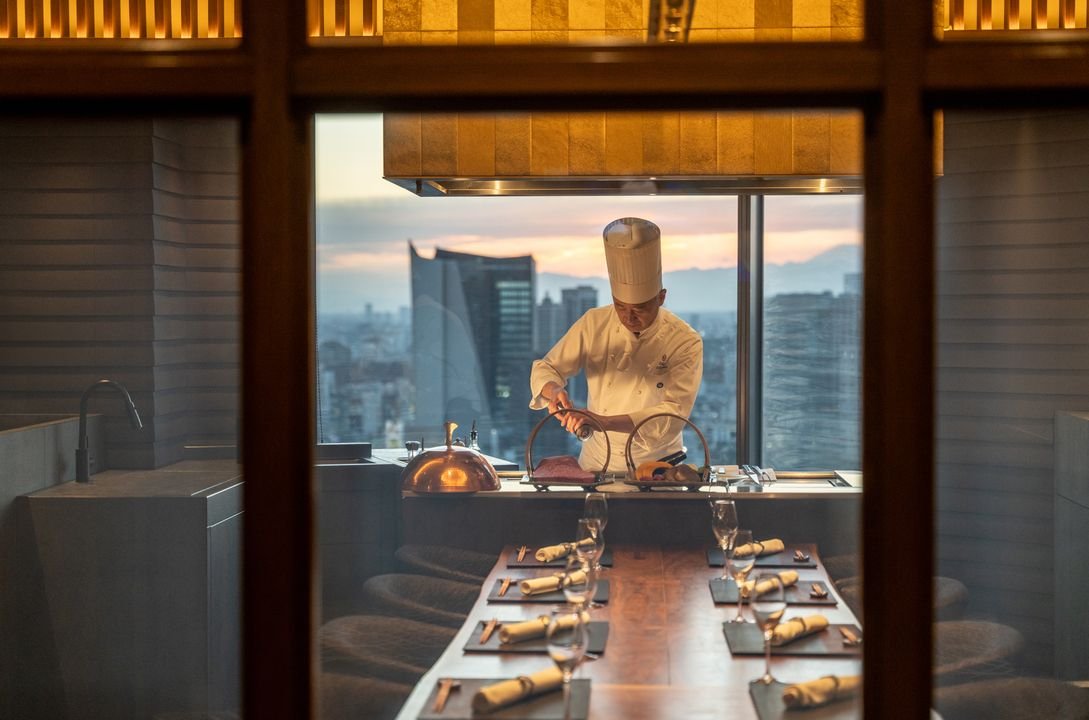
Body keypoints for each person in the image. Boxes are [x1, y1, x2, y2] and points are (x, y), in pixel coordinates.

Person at [529, 217, 704, 472]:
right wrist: (554, 391)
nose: (629, 317)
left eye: (640, 308)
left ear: (661, 298)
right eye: (620, 306)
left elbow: (671, 415)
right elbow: (547, 367)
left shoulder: (684, 341)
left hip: (656, 466)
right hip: (596, 463)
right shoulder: (594, 322)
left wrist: (601, 421)